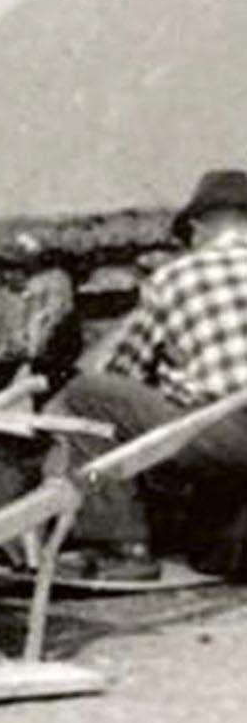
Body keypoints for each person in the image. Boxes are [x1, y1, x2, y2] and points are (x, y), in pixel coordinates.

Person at [50, 167, 247, 574]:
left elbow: (125, 371)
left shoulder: (177, 275)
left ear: (199, 228)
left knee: (88, 395)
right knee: (212, 550)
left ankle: (118, 546)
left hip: (230, 432)